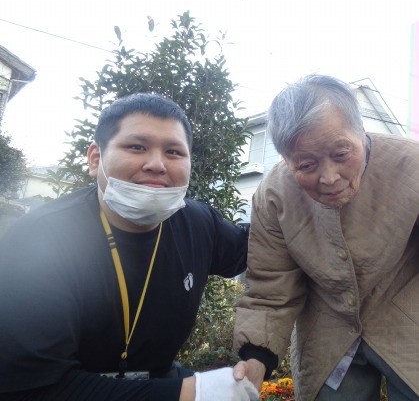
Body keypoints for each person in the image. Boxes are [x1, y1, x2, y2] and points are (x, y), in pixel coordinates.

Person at [0, 93, 259, 401]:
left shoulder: (198, 223)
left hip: (159, 377)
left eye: (174, 152)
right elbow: (32, 386)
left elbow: (262, 246)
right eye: (136, 147)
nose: (157, 164)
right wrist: (198, 392)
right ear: (95, 159)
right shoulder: (40, 239)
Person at [233, 74, 419, 401]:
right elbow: (271, 286)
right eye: (306, 165)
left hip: (407, 317)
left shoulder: (412, 166)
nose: (329, 178)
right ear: (286, 159)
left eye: (342, 154)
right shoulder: (274, 195)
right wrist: (255, 360)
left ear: (361, 131)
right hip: (327, 329)